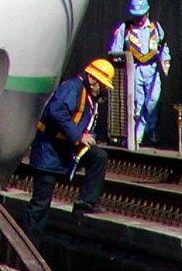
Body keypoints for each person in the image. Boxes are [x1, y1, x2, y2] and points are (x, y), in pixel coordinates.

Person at [20, 59, 113, 246]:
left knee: (98, 157)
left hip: (64, 149)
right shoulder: (72, 88)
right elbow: (56, 112)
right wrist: (79, 136)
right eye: (102, 86)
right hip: (49, 150)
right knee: (40, 204)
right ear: (93, 80)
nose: (102, 90)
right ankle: (27, 245)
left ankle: (86, 201)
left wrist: (84, 135)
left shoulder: (88, 95)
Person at [108, 0, 171, 146]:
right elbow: (115, 51)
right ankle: (138, 134)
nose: (139, 19)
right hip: (134, 69)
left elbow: (163, 47)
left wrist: (165, 62)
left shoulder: (155, 28)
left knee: (153, 100)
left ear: (147, 13)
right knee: (138, 103)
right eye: (136, 16)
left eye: (142, 15)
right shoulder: (125, 29)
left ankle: (151, 127)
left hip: (152, 69)